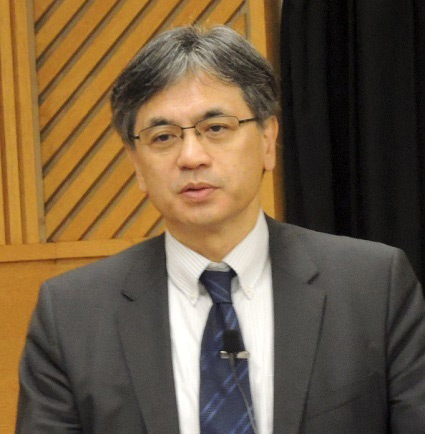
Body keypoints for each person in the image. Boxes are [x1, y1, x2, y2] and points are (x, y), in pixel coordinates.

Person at [16, 25, 425, 434]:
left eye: (216, 128)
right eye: (163, 137)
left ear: (268, 139)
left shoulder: (373, 287)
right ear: (137, 163)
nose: (191, 156)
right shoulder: (72, 315)